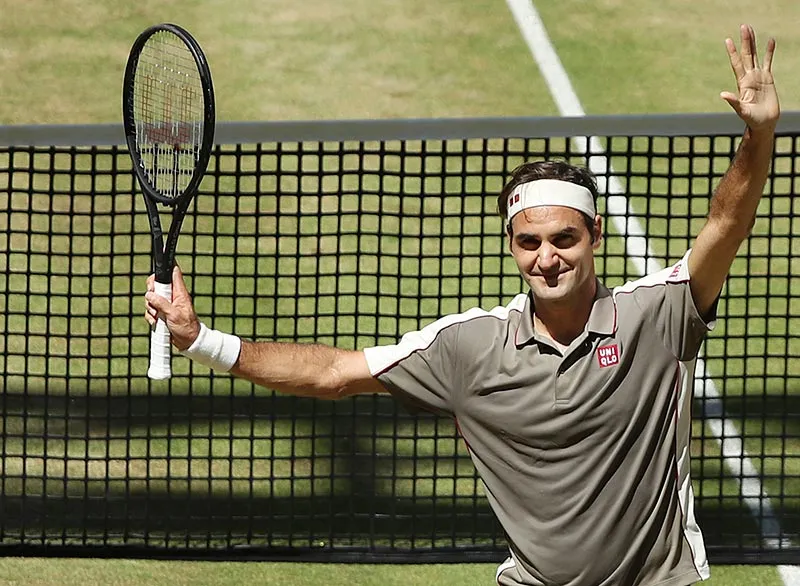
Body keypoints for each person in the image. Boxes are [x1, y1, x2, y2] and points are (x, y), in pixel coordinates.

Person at [144, 24, 779, 586]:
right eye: (529, 242)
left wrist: (759, 136)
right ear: (511, 247)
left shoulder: (656, 318)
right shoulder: (469, 348)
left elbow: (724, 224)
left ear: (595, 238)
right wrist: (201, 339)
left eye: (564, 239)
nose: (547, 258)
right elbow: (334, 374)